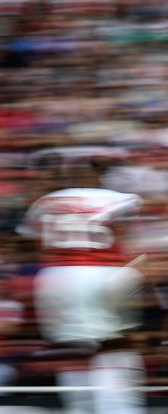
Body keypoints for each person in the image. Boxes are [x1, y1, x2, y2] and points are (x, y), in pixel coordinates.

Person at [17, 147, 147, 414]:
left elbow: (28, 239)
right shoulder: (122, 199)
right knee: (115, 341)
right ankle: (120, 408)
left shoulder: (45, 201)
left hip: (56, 278)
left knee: (71, 346)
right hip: (105, 270)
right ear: (100, 176)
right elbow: (134, 239)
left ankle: (81, 407)